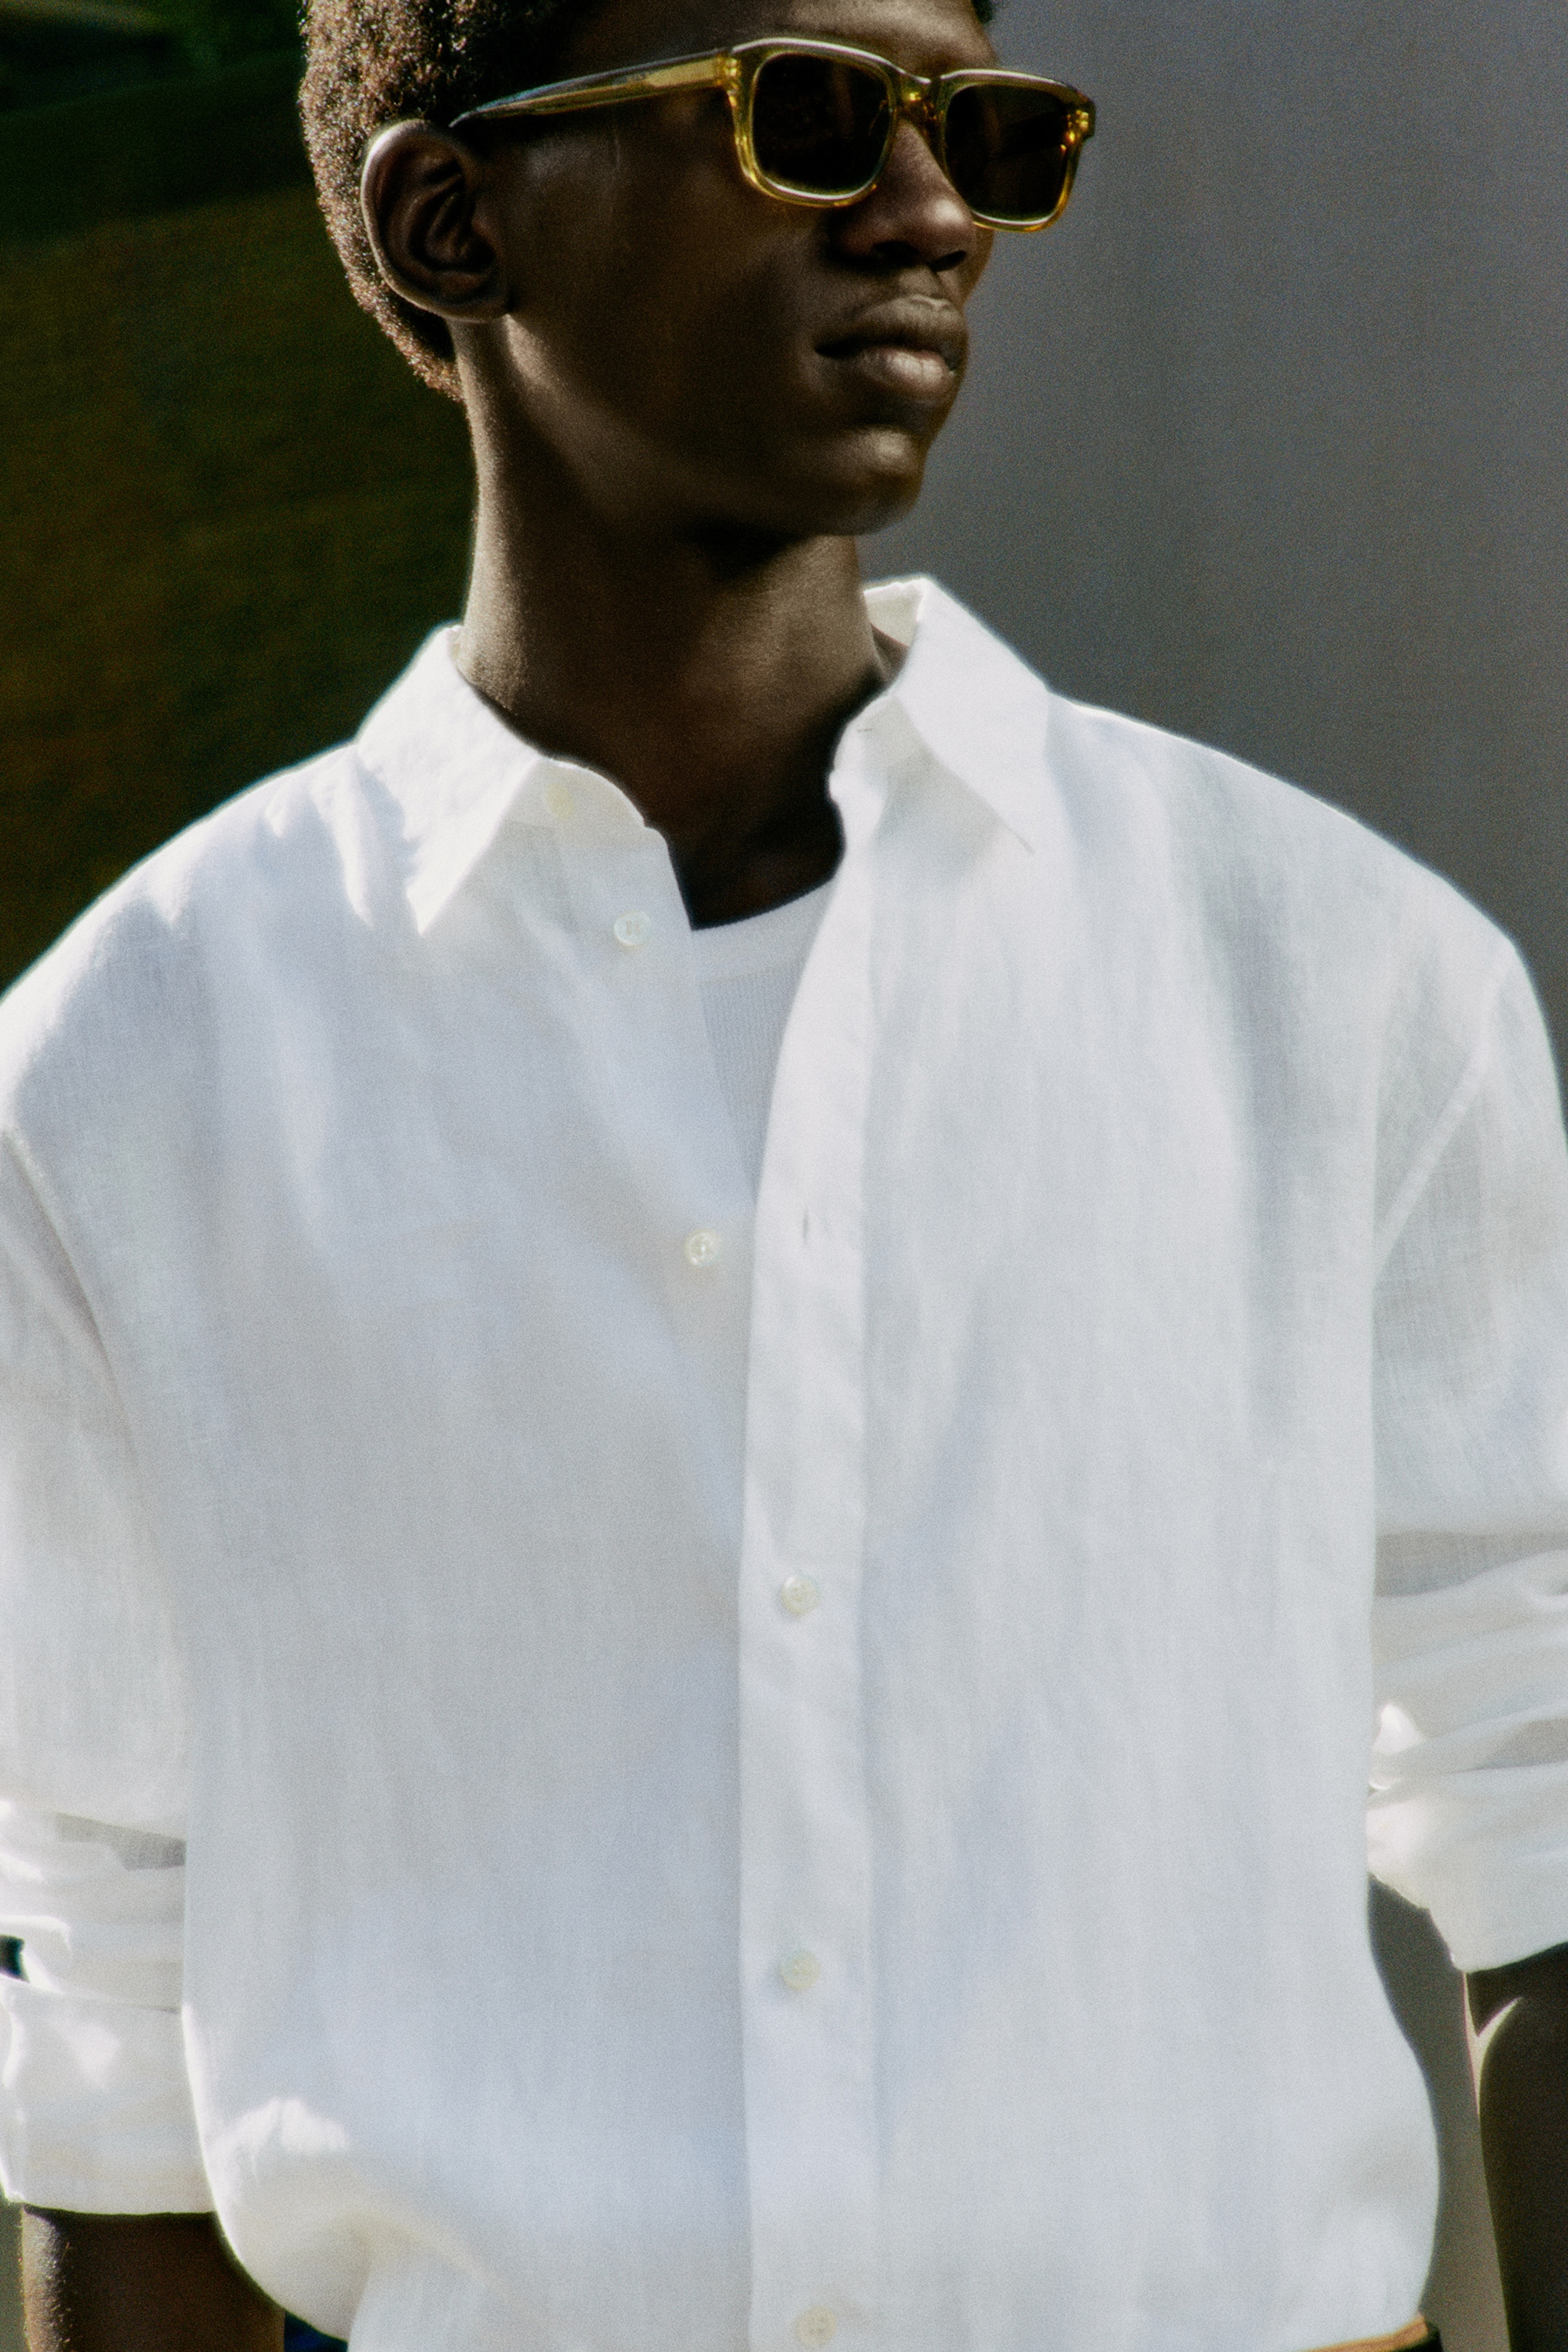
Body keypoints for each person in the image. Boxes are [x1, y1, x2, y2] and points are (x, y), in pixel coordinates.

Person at [2, 0, 1568, 2342]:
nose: (931, 214)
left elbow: (1538, 1808)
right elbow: (111, 1996)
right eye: (807, 115)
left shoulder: (1338, 984)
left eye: (987, 133)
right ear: (452, 220)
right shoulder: (127, 1068)